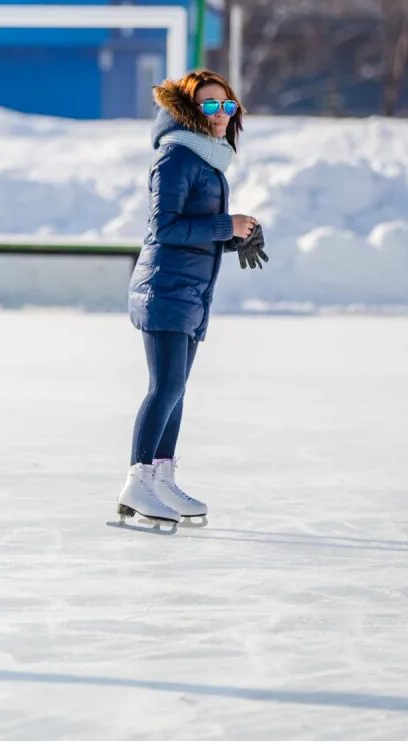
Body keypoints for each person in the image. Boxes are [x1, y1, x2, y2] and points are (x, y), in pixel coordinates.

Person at [116, 69, 268, 531]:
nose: (220, 115)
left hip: (189, 290)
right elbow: (164, 229)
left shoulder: (206, 160)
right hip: (165, 288)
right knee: (164, 386)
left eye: (226, 106)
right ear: (188, 110)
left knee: (176, 389)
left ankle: (162, 477)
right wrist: (226, 225)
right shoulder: (176, 157)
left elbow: (194, 231)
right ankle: (137, 479)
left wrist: (236, 236)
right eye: (209, 106)